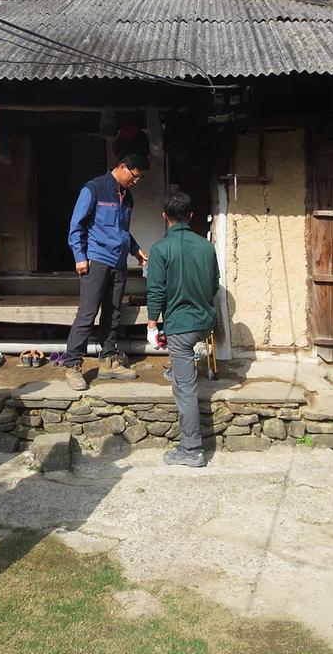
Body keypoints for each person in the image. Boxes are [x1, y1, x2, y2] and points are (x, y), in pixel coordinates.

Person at [63, 151, 151, 391]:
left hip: (119, 262)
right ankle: (72, 365)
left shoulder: (127, 197)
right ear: (122, 167)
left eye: (139, 179)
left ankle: (108, 361)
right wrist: (80, 256)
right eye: (135, 176)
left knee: (113, 313)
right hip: (96, 261)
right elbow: (76, 225)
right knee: (88, 312)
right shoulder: (93, 189)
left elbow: (121, 230)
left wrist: (135, 249)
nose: (136, 181)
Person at [146, 191, 220, 468]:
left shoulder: (160, 249)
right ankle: (177, 371)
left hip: (180, 328)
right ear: (191, 216)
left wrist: (152, 324)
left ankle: (191, 450)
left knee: (186, 389)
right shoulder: (207, 247)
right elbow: (214, 286)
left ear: (165, 217)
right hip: (204, 323)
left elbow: (155, 291)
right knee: (181, 373)